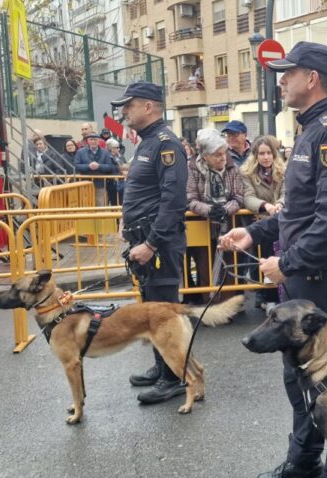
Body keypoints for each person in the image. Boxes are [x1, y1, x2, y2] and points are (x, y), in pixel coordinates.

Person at [218, 42, 327, 478]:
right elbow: (297, 213)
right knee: (302, 379)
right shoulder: (311, 131)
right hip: (310, 274)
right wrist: (256, 231)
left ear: (312, 78)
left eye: (289, 72)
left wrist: (288, 262)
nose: (281, 79)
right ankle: (301, 464)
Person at [111, 82, 190, 405]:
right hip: (143, 240)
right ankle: (163, 366)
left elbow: (173, 201)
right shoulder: (146, 143)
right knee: (150, 311)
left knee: (162, 313)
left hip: (160, 245)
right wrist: (125, 223)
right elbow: (142, 193)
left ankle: (173, 379)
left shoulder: (166, 144)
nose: (123, 112)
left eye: (128, 106)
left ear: (148, 107)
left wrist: (152, 244)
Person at [185, 128, 244, 294]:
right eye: (217, 155)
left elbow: (239, 196)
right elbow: (190, 199)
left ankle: (231, 305)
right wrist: (209, 210)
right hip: (203, 227)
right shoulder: (192, 169)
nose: (222, 158)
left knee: (231, 267)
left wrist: (226, 209)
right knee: (205, 266)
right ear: (205, 156)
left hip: (229, 226)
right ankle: (210, 306)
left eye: (223, 153)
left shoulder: (233, 168)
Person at [240, 135, 285, 309]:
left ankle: (284, 297)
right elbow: (248, 197)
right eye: (261, 153)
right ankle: (269, 298)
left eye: (269, 153)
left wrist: (280, 204)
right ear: (255, 156)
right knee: (265, 262)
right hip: (261, 222)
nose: (266, 157)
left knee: (283, 261)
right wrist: (265, 206)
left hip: (282, 221)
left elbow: (287, 192)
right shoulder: (246, 173)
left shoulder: (284, 171)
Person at [74, 133, 117, 206]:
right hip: (84, 184)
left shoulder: (105, 152)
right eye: (91, 139)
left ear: (98, 141)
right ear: (87, 141)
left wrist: (99, 166)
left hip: (100, 184)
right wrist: (88, 166)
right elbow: (76, 166)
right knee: (85, 204)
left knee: (100, 204)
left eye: (95, 139)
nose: (93, 141)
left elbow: (110, 166)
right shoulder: (80, 152)